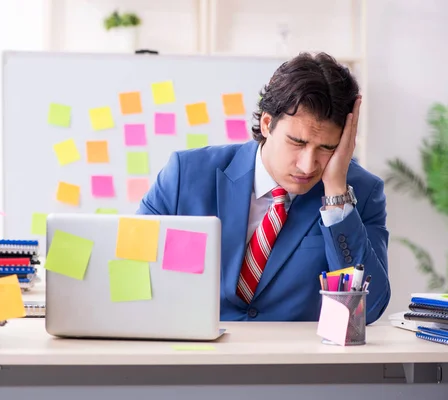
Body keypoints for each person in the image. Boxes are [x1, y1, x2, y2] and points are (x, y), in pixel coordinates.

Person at [137, 52, 390, 324]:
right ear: (267, 124)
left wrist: (337, 196)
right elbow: (134, 267)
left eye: (327, 148)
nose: (307, 166)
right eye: (297, 142)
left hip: (297, 362)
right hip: (191, 355)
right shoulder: (185, 175)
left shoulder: (360, 194)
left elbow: (368, 310)